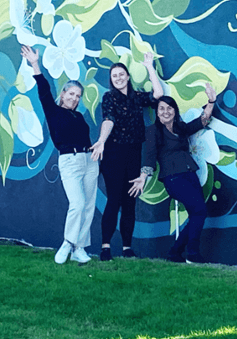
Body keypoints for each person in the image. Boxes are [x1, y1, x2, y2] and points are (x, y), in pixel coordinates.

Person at [21, 45, 99, 265]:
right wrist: (35, 64)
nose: (75, 98)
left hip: (89, 161)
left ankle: (79, 248)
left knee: (88, 205)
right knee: (77, 202)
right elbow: (43, 89)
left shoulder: (79, 118)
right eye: (71, 94)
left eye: (78, 96)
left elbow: (86, 140)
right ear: (63, 94)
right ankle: (67, 242)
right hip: (69, 161)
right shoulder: (53, 111)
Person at [129, 83, 216, 263]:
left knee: (197, 213)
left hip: (190, 175)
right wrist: (143, 177)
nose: (165, 112)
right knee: (199, 211)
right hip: (173, 178)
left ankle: (175, 252)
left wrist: (211, 100)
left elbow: (202, 121)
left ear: (174, 111)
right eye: (161, 109)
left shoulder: (180, 128)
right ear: (157, 112)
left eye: (169, 108)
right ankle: (192, 253)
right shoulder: (153, 131)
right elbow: (150, 157)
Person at [90, 53, 163, 261]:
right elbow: (109, 120)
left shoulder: (137, 97)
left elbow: (157, 94)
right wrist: (102, 140)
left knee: (130, 201)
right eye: (114, 76)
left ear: (128, 76)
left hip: (133, 153)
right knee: (114, 200)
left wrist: (149, 66)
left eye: (121, 74)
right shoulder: (109, 98)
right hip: (113, 154)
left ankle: (127, 248)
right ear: (111, 80)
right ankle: (105, 247)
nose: (118, 78)